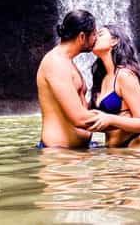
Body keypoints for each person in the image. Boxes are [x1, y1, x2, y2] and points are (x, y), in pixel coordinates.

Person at [36, 9, 97, 148]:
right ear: (82, 37)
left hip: (77, 152)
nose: (96, 39)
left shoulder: (68, 61)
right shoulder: (56, 63)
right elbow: (79, 119)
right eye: (94, 34)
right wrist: (124, 122)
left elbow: (80, 107)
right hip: (59, 156)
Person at [88, 24, 140, 148]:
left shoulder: (125, 75)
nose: (95, 38)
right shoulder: (101, 78)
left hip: (134, 147)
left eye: (100, 34)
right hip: (113, 153)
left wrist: (110, 119)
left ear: (114, 41)